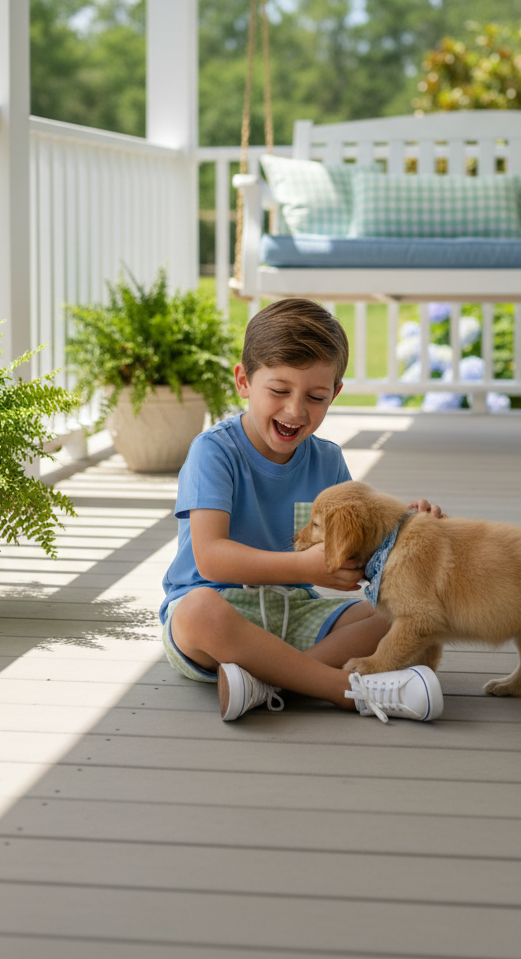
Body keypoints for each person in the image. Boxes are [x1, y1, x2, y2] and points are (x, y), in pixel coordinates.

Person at [160, 297, 444, 723]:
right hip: (219, 616)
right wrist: (305, 568)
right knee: (199, 612)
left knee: (410, 613)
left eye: (315, 396)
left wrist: (408, 529)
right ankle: (340, 689)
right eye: (279, 391)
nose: (295, 410)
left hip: (298, 614)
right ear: (243, 381)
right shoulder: (214, 451)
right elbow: (212, 559)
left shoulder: (328, 461)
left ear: (335, 393)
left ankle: (269, 682)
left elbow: (362, 555)